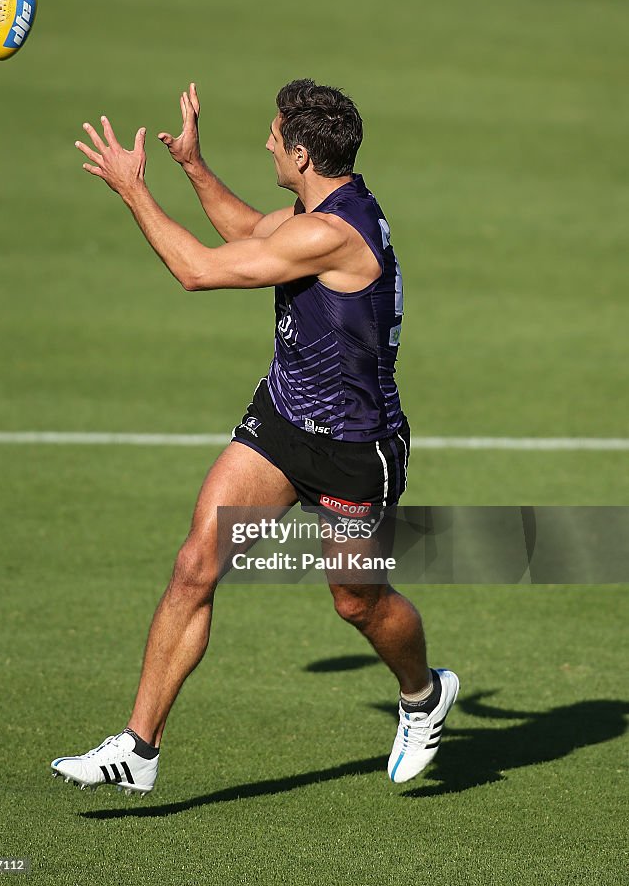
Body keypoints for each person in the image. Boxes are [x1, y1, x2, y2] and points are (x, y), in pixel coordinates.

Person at [50, 79, 459, 796]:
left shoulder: (331, 233)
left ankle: (424, 696)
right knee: (194, 565)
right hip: (280, 422)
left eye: (275, 136)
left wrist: (131, 188)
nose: (266, 142)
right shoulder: (316, 208)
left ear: (301, 154)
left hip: (351, 448)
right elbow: (246, 233)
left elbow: (198, 270)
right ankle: (139, 747)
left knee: (355, 601)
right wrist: (192, 167)